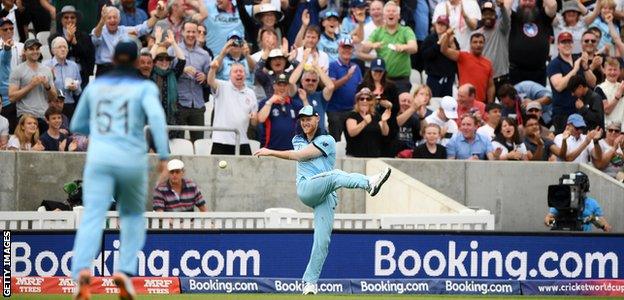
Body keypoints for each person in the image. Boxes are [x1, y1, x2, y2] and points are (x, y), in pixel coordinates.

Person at [253, 105, 392, 295]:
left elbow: (301, 155)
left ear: (318, 118)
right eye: (302, 119)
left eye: (308, 118)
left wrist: (271, 151)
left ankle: (309, 283)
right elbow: (299, 155)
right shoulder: (297, 139)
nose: (305, 122)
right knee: (334, 175)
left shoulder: (327, 140)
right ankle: (369, 183)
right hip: (307, 188)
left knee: (322, 241)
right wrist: (271, 151)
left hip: (325, 194)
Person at [70, 39, 169, 300]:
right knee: (132, 217)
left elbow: (77, 124)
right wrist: (164, 155)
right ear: (137, 62)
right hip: (131, 159)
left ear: (113, 59)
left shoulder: (96, 86)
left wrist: (103, 133)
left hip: (99, 158)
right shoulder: (145, 87)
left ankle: (81, 271)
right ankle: (124, 271)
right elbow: (157, 118)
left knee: (93, 215)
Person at [92, 4, 166, 76]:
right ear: (104, 20)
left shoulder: (124, 30)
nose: (112, 20)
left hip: (122, 69)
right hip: (104, 70)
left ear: (119, 19)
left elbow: (144, 28)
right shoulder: (99, 30)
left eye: (115, 17)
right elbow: (95, 38)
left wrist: (156, 15)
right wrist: (101, 21)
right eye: (109, 18)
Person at [362, 1, 418, 93]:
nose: (391, 13)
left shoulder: (406, 31)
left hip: (402, 80)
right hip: (383, 79)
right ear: (384, 16)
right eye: (388, 11)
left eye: (394, 11)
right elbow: (364, 49)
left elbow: (414, 48)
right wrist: (372, 45)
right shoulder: (378, 31)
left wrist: (404, 47)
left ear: (399, 16)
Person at [547, 31, 596, 134]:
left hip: (581, 110)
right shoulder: (554, 64)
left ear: (573, 44)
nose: (567, 45)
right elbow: (559, 86)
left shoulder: (578, 59)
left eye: (569, 42)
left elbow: (592, 83)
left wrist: (586, 67)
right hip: (563, 113)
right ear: (558, 46)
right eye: (563, 42)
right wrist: (575, 69)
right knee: (565, 144)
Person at [207, 59, 258, 155]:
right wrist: (213, 69)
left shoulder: (250, 93)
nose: (239, 74)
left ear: (245, 75)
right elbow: (210, 81)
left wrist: (254, 117)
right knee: (218, 170)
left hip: (242, 140)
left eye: (241, 71)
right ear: (230, 75)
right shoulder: (222, 86)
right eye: (235, 71)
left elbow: (254, 122)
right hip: (221, 140)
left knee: (247, 169)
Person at [8, 38, 57, 134]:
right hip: (26, 116)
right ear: (24, 51)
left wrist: (47, 86)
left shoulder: (47, 70)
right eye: (31, 49)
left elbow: (54, 97)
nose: (35, 51)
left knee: (42, 147)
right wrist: (31, 85)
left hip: (43, 116)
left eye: (37, 49)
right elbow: (12, 97)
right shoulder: (17, 70)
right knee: (26, 147)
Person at [508, 0, 556, 85]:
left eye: (530, 0)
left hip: (539, 72)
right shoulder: (514, 18)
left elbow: (553, 5)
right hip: (516, 72)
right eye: (524, 0)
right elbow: (505, 7)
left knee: (540, 98)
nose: (527, 3)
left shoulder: (543, 17)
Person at [544, 172, 611, 232]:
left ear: (585, 187)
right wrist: (551, 221)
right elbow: (547, 219)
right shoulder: (561, 201)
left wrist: (594, 219)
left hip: (584, 240)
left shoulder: (592, 203)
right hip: (562, 237)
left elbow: (607, 228)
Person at [48, 5, 95, 89]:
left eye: (72, 17)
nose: (69, 20)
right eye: (66, 17)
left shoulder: (84, 36)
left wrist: (75, 44)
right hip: (61, 76)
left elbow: (88, 56)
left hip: (81, 75)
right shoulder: (53, 37)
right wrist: (68, 41)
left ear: (76, 19)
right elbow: (55, 55)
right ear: (61, 20)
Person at [440, 32, 494, 103]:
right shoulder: (462, 56)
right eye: (475, 42)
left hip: (481, 103)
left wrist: (490, 103)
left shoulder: (488, 63)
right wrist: (447, 35)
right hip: (464, 102)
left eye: (481, 42)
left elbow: (490, 86)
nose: (478, 45)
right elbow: (444, 50)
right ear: (470, 44)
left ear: (484, 44)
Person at [328, 37, 362, 141]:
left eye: (349, 48)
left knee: (353, 142)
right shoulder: (333, 66)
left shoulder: (356, 67)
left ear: (352, 50)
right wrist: (347, 77)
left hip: (352, 110)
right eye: (344, 47)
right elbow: (332, 86)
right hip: (335, 111)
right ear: (339, 49)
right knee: (335, 141)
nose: (347, 50)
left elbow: (360, 87)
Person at [258, 73, 303, 150]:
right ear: (274, 86)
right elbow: (261, 119)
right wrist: (270, 101)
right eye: (279, 85)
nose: (282, 88)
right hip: (270, 150)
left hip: (291, 151)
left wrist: (304, 99)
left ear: (288, 87)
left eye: (284, 85)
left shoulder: (295, 104)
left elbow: (308, 119)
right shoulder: (265, 102)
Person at [345, 87, 391, 157]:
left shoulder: (376, 116)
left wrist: (384, 122)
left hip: (374, 155)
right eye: (362, 98)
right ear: (357, 101)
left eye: (368, 99)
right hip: (355, 156)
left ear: (372, 102)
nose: (365, 101)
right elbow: (352, 132)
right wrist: (364, 122)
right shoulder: (352, 115)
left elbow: (385, 132)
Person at [44, 37, 82, 120]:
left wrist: (75, 87)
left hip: (69, 104)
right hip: (52, 105)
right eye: (60, 47)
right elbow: (42, 89)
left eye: (65, 47)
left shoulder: (73, 66)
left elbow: (78, 91)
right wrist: (52, 79)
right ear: (53, 51)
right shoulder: (46, 65)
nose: (63, 49)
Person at [420, 15, 459, 97]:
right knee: (432, 102)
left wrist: (451, 43)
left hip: (448, 79)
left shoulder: (452, 39)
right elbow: (425, 55)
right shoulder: (429, 39)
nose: (440, 27)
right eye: (439, 24)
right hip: (434, 78)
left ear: (447, 27)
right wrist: (438, 43)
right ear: (435, 25)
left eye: (443, 25)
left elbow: (457, 56)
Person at [477, 0, 511, 90]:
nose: (487, 16)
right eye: (485, 14)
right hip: (485, 77)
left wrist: (502, 7)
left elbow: (506, 19)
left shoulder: (502, 28)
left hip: (502, 77)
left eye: (490, 13)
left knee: (504, 104)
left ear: (495, 15)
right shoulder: (477, 33)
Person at [596, 57, 624, 126]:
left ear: (619, 71)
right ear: (604, 71)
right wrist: (617, 97)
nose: (612, 72)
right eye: (610, 69)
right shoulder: (599, 88)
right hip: (609, 129)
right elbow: (606, 110)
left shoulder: (622, 86)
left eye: (615, 70)